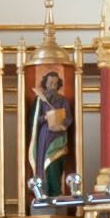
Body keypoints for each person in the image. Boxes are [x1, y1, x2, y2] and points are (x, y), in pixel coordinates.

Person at [27, 68, 73, 205]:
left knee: (56, 164)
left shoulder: (62, 100)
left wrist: (63, 126)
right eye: (50, 83)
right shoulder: (40, 100)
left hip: (58, 136)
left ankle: (56, 192)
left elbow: (68, 118)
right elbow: (33, 120)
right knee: (46, 164)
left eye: (55, 83)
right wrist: (45, 117)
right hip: (45, 135)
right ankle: (45, 193)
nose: (52, 86)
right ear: (45, 84)